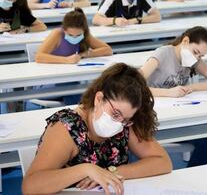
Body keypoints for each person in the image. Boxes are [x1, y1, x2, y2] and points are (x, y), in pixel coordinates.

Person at [21, 63, 172, 194]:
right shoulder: (68, 128)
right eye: (115, 114)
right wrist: (85, 170)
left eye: (126, 119)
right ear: (99, 99)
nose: (119, 123)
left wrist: (112, 173)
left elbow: (163, 162)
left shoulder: (125, 124)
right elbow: (30, 186)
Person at [139, 26, 207, 167]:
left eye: (200, 56)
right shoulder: (163, 53)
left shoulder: (193, 60)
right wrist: (168, 93)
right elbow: (134, 85)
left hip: (178, 115)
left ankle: (199, 174)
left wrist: (191, 87)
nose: (196, 58)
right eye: (195, 52)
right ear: (185, 41)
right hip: (154, 119)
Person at [36, 8, 112, 64]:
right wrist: (66, 60)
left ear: (84, 30)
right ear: (64, 29)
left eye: (78, 35)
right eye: (70, 35)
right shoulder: (57, 33)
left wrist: (87, 54)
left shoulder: (85, 34)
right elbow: (39, 57)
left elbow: (108, 50)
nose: (74, 37)